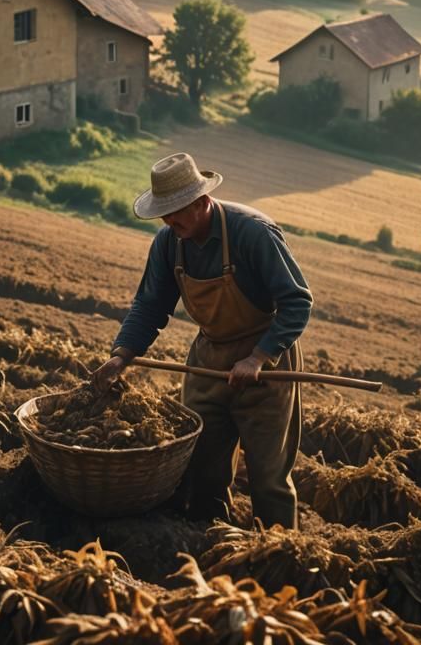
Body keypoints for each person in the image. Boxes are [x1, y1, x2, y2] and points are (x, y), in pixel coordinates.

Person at [93, 152, 312, 528]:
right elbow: (149, 305)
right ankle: (210, 541)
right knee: (202, 468)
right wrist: (121, 355)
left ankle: (279, 553)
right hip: (207, 360)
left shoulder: (253, 233)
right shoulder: (168, 244)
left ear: (202, 202)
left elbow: (297, 302)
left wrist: (258, 358)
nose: (168, 220)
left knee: (268, 477)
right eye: (163, 212)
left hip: (266, 365)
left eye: (176, 211)